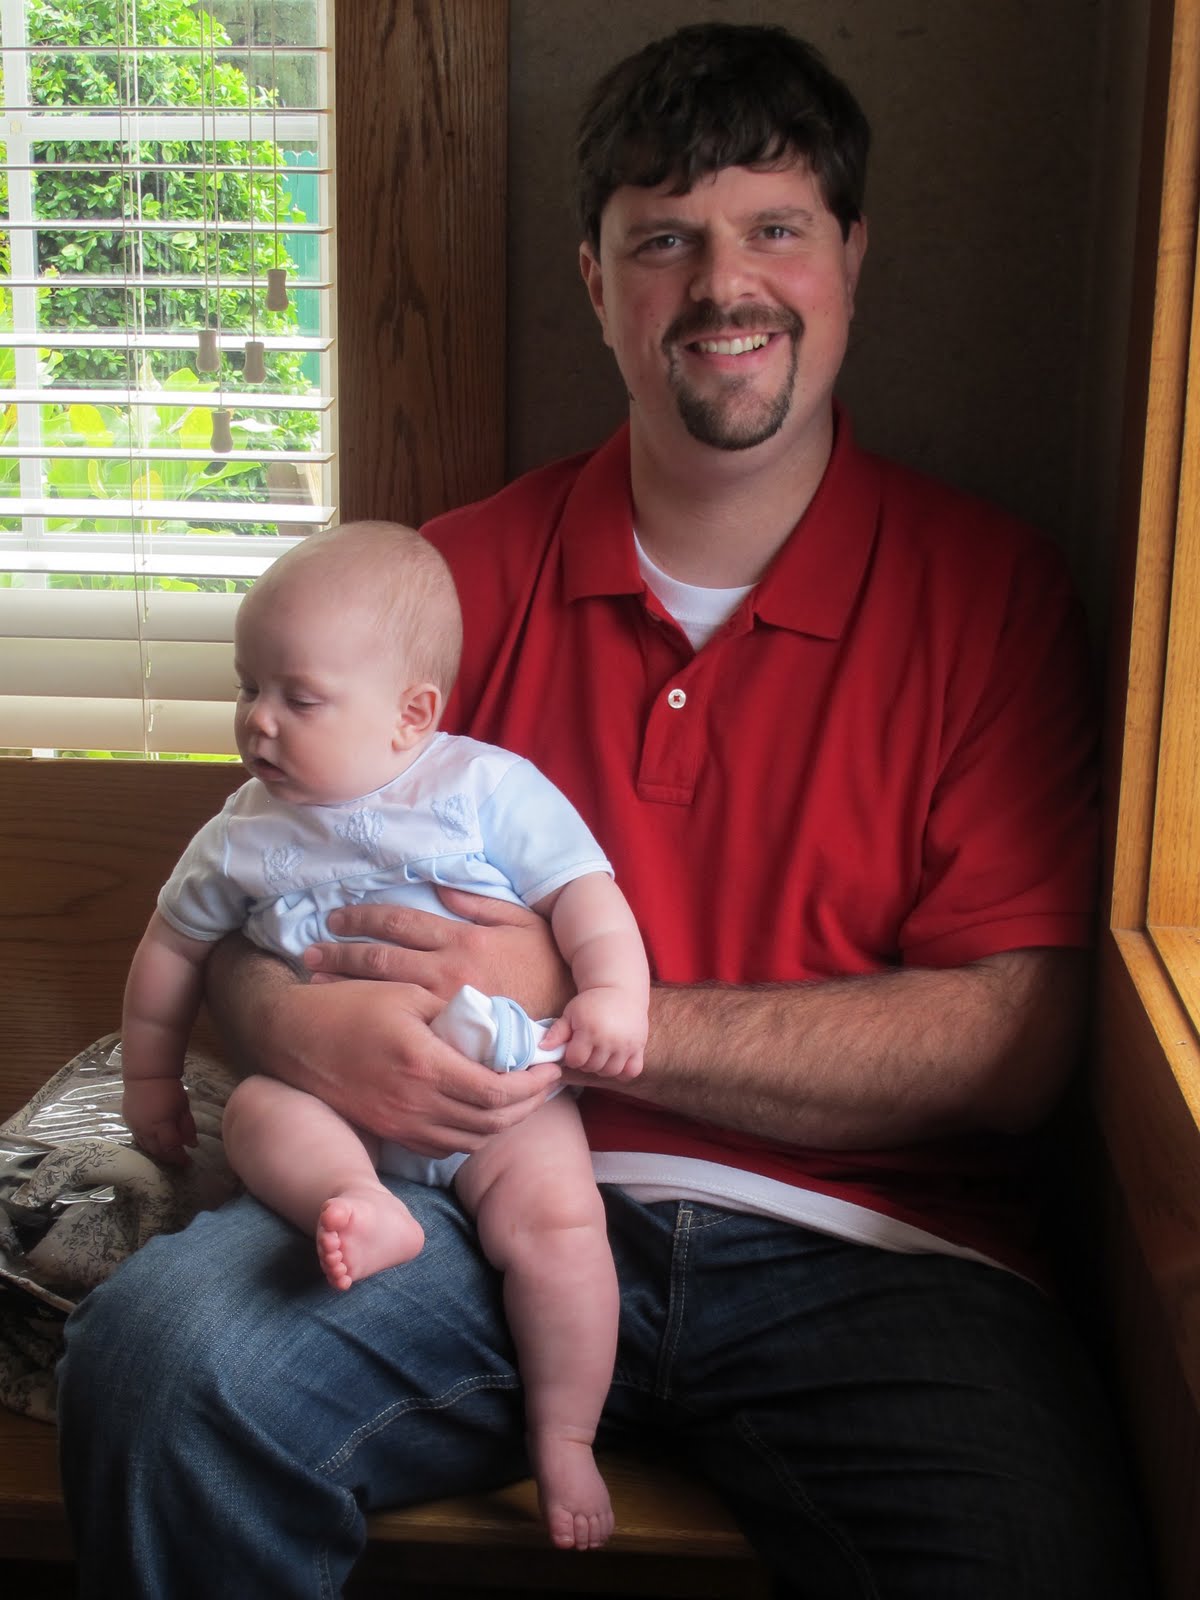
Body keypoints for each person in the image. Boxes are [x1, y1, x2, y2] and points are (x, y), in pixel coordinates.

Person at [58, 22, 1150, 1599]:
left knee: (1034, 1554)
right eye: (665, 240)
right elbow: (248, 892)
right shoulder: (441, 589)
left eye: (775, 228)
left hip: (881, 1261)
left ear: (853, 255)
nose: (724, 284)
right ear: (594, 279)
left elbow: (1010, 1043)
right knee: (163, 1367)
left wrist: (570, 1013)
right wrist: (288, 1023)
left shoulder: (993, 597)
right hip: (450, 1210)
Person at [118, 519, 649, 1551]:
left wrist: (615, 998)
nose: (258, 721)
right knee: (259, 1111)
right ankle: (356, 1202)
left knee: (561, 1232)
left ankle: (564, 1433)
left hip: (500, 1101)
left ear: (413, 715)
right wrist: (151, 1078)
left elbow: (586, 894)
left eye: (299, 697)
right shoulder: (240, 832)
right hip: (334, 1111)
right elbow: (170, 950)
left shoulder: (481, 789)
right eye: (248, 688)